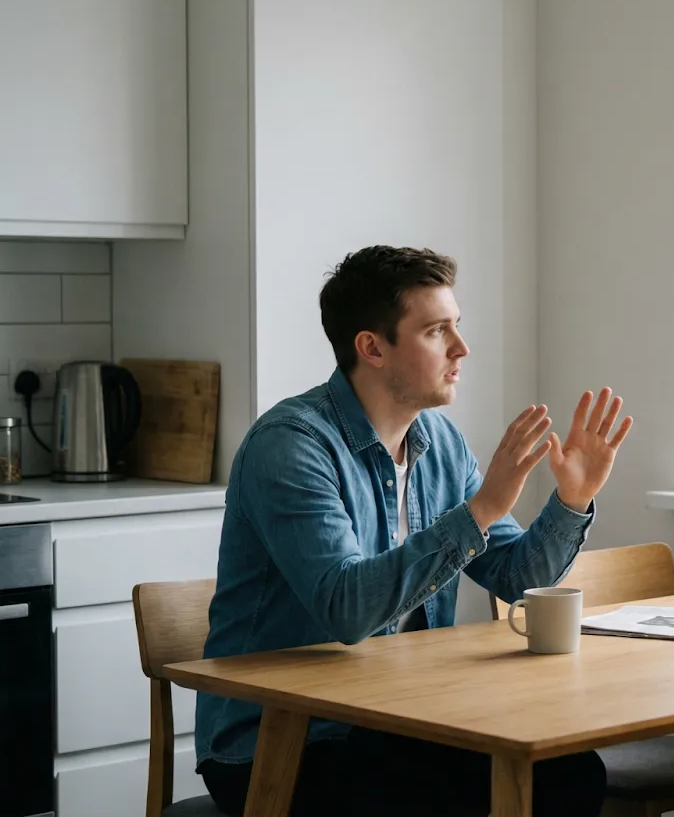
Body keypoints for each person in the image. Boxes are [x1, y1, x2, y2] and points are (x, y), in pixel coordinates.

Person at [195, 245, 631, 817]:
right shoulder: (290, 446)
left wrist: (573, 499)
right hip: (283, 743)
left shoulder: (441, 443)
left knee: (567, 771)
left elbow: (515, 577)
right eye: (436, 330)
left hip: (399, 720)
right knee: (453, 790)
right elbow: (346, 609)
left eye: (457, 325)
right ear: (372, 348)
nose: (461, 347)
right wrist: (482, 509)